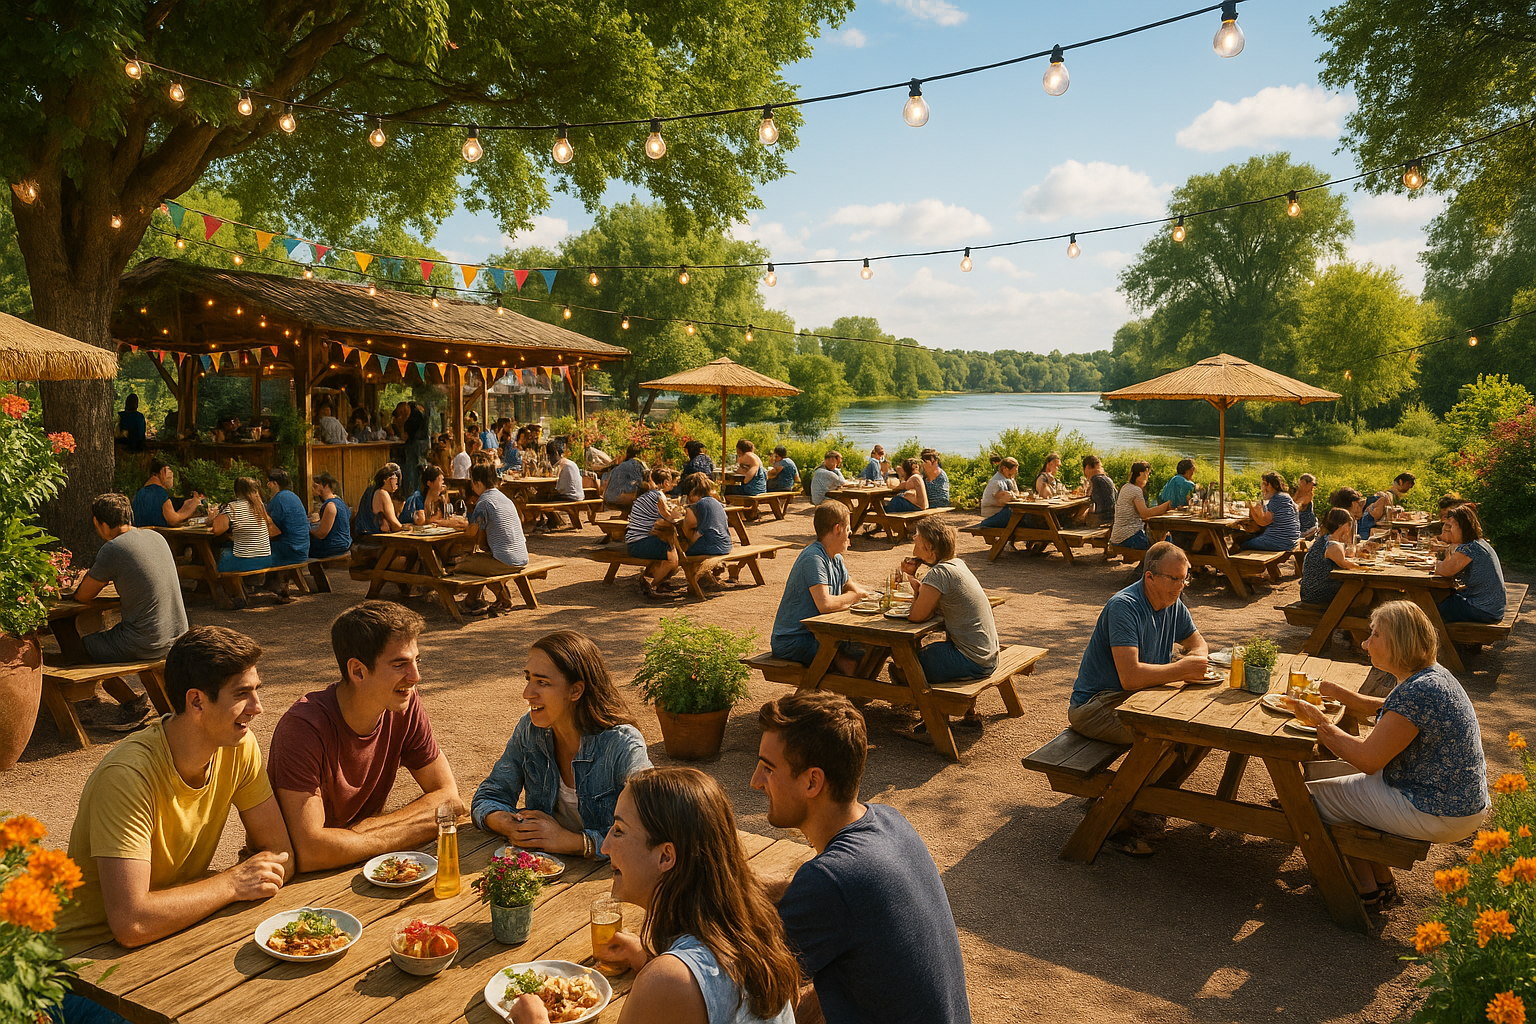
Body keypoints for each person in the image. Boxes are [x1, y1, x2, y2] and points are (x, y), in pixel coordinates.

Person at [55, 626, 293, 953]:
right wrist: (233, 883)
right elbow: (131, 923)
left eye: (256, 690)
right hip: (83, 961)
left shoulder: (239, 746)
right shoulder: (127, 776)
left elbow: (282, 854)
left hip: (172, 930)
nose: (258, 706)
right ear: (196, 701)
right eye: (242, 694)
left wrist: (235, 882)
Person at [511, 767, 795, 1024]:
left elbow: (681, 989)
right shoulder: (751, 930)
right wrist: (648, 958)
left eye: (619, 831)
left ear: (666, 856)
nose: (606, 845)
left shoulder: (669, 981)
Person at [752, 692, 972, 1024]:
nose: (756, 781)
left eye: (768, 768)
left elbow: (741, 982)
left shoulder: (831, 880)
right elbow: (808, 895)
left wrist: (643, 950)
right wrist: (732, 880)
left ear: (813, 781)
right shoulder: (888, 821)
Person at [1287, 601, 1488, 905]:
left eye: (1375, 635)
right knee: (1319, 774)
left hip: (1437, 809)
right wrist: (1342, 695)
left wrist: (1320, 722)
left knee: (1305, 798)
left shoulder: (1418, 691)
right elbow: (1389, 710)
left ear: (1398, 643)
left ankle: (1363, 887)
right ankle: (1380, 881)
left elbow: (1368, 760)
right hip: (1454, 799)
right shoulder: (1431, 675)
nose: (1366, 643)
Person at [267, 602, 461, 872]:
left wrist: (359, 834)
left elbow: (449, 799)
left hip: (359, 860)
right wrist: (412, 828)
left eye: (417, 660)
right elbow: (310, 850)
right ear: (357, 671)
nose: (415, 676)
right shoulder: (302, 727)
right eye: (399, 664)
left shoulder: (404, 703)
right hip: (297, 881)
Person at [472, 631, 651, 862]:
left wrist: (573, 842)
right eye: (528, 679)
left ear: (575, 690)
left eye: (542, 682)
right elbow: (489, 795)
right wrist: (507, 824)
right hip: (544, 872)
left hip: (608, 878)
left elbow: (649, 829)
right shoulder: (529, 730)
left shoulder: (623, 744)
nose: (527, 694)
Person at [1068, 542, 1208, 746]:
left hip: (1138, 697)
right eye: (1174, 579)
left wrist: (1195, 658)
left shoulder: (1173, 603)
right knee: (1171, 735)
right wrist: (1182, 669)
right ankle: (1142, 779)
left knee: (1197, 724)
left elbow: (1198, 643)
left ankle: (1156, 778)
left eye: (1184, 580)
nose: (1180, 587)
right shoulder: (1124, 606)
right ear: (1150, 577)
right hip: (1097, 706)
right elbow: (1130, 678)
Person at [72, 493, 188, 664]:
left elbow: (83, 596)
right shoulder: (157, 537)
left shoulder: (113, 548)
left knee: (78, 645)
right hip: (178, 637)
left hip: (146, 643)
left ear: (98, 522)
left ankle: (81, 690)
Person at [771, 502, 871, 674]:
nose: (851, 533)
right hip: (794, 640)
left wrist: (870, 595)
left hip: (817, 634)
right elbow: (825, 604)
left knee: (872, 647)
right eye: (848, 528)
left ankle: (853, 692)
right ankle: (845, 693)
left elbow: (854, 588)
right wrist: (856, 596)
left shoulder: (836, 558)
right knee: (852, 658)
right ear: (837, 528)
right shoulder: (814, 558)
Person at [457, 462, 530, 614]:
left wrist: (458, 526)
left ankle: (501, 599)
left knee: (460, 564)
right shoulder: (504, 498)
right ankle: (472, 599)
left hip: (505, 560)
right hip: (521, 556)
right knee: (478, 561)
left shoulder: (484, 502)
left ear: (477, 483)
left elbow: (472, 534)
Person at [1434, 503, 1506, 625]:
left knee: (1433, 609)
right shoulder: (1478, 544)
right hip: (1491, 607)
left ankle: (1437, 641)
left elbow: (1446, 570)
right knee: (1443, 600)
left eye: (1450, 526)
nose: (1448, 530)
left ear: (1462, 527)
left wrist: (1430, 563)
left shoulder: (1470, 549)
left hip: (1484, 609)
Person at [1301, 508, 1372, 610]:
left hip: (1309, 589)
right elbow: (1345, 564)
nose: (1350, 528)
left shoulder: (1326, 539)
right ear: (1340, 525)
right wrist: (1367, 568)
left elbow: (1346, 555)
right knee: (1364, 588)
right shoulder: (1333, 545)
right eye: (1348, 524)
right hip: (1317, 592)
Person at [627, 468, 682, 599]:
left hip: (635, 541)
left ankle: (661, 583)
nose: (674, 484)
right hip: (639, 543)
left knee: (673, 549)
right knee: (674, 557)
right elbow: (669, 518)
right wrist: (679, 513)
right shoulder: (657, 496)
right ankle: (651, 586)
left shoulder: (650, 495)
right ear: (666, 482)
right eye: (671, 481)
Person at [210, 476, 276, 576]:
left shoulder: (233, 507)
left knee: (219, 556)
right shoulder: (260, 508)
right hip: (265, 559)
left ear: (236, 491)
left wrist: (212, 519)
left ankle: (230, 589)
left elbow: (217, 530)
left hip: (244, 561)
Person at [263, 469, 310, 603]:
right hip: (303, 548)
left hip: (291, 549)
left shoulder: (278, 499)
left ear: (274, 483)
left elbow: (273, 529)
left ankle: (266, 585)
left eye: (269, 482)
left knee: (253, 548)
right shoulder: (293, 496)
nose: (267, 486)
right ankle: (274, 585)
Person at [351, 463, 406, 566]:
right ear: (387, 479)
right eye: (396, 482)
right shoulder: (383, 494)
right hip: (377, 541)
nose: (397, 486)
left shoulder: (370, 490)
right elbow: (395, 524)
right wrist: (408, 529)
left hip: (365, 538)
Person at [1109, 461, 1170, 550]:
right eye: (1147, 474)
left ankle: (1144, 564)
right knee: (1166, 542)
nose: (1147, 477)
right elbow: (1145, 514)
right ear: (1142, 473)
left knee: (1159, 541)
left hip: (1118, 536)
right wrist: (1166, 506)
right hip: (1129, 537)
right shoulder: (1135, 490)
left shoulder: (1126, 487)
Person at [131, 459, 204, 528]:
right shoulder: (160, 493)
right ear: (160, 473)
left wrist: (184, 508)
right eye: (169, 474)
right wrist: (192, 506)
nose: (172, 478)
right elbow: (173, 520)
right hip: (157, 537)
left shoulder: (140, 493)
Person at [1240, 471, 1301, 551]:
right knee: (1253, 537)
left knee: (1242, 544)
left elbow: (1263, 522)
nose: (1263, 487)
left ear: (1275, 485)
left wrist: (1252, 509)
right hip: (1291, 540)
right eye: (1263, 484)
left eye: (1266, 484)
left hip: (1279, 542)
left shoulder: (1276, 499)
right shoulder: (1285, 497)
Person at [680, 473, 733, 558]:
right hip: (727, 545)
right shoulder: (716, 502)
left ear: (692, 492)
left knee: (683, 555)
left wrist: (690, 545)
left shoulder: (701, 504)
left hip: (711, 547)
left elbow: (691, 524)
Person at [309, 472, 352, 558]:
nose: (314, 488)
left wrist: (308, 528)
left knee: (302, 550)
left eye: (317, 485)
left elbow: (322, 533)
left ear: (326, 486)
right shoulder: (340, 502)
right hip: (344, 544)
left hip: (334, 546)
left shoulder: (331, 505)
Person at [1361, 472, 1416, 536]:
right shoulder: (1386, 495)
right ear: (1400, 482)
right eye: (1408, 484)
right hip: (1377, 530)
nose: (1409, 487)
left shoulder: (1394, 496)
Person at [976, 456, 1020, 529]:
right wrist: (1013, 495)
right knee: (1018, 516)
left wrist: (1013, 481)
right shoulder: (997, 481)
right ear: (1004, 468)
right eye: (1014, 469)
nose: (1016, 471)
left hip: (1003, 511)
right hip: (995, 513)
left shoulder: (1007, 479)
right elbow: (1004, 500)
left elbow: (1016, 493)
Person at [601, 444, 647, 513]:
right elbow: (640, 482)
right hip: (616, 498)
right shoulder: (636, 464)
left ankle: (625, 514)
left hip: (608, 496)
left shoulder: (622, 465)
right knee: (643, 492)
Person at [1081, 455, 1117, 526]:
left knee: (1074, 521)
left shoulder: (1095, 480)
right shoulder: (1105, 478)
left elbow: (1089, 498)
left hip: (1103, 519)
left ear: (1087, 467)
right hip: (1112, 516)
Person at [1294, 473, 1318, 538]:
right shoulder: (1297, 492)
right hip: (1299, 523)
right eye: (1312, 484)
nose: (1313, 487)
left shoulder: (1308, 495)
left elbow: (1297, 505)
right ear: (1304, 482)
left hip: (1306, 527)